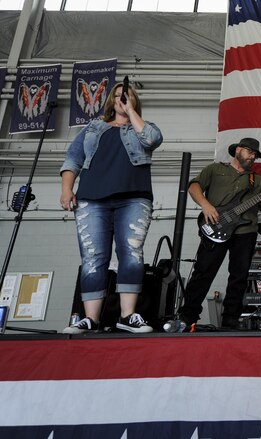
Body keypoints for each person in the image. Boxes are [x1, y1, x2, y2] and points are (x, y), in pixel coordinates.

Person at [60, 81, 163, 334]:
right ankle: (90, 319)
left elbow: (152, 140)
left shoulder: (143, 127)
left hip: (134, 198)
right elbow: (73, 158)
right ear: (110, 101)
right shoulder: (94, 127)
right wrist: (66, 189)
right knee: (93, 258)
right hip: (91, 199)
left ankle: (127, 316)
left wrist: (131, 113)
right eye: (117, 96)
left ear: (134, 101)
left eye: (126, 96)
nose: (121, 99)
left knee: (131, 253)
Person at [176, 137, 261, 330]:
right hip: (215, 226)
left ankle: (230, 318)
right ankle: (187, 315)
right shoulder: (215, 169)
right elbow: (194, 186)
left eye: (255, 155)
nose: (253, 156)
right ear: (238, 150)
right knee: (203, 271)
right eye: (250, 152)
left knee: (239, 276)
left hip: (245, 231)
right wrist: (206, 205)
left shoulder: (257, 180)